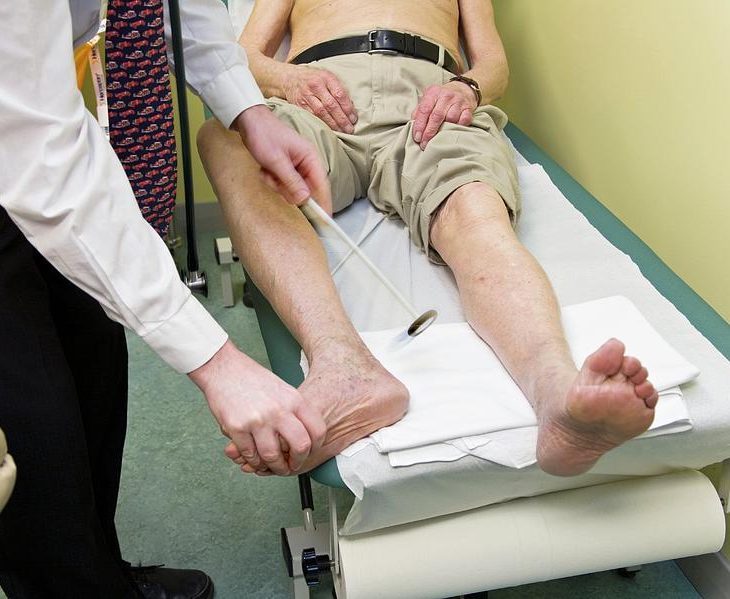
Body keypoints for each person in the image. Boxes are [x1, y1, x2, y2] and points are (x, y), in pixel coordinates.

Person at [0, 1, 331, 597]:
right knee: (15, 385)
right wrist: (217, 363)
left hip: (31, 65)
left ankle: (97, 571)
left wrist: (245, 107)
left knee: (91, 335)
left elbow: (179, 4)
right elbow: (43, 168)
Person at [198, 0, 660, 479]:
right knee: (227, 141)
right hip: (317, 100)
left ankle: (559, 398)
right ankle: (344, 366)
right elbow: (243, 55)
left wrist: (469, 87)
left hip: (430, 102)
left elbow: (493, 63)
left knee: (475, 216)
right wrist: (288, 81)